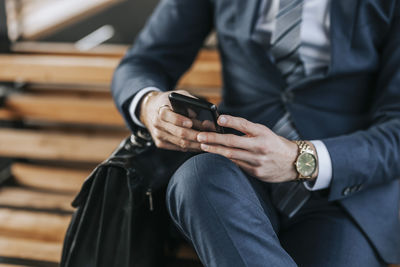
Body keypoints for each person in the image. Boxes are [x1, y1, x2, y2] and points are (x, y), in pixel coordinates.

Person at [111, 0, 400, 266]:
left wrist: (299, 159)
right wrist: (149, 105)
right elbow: (143, 62)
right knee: (197, 178)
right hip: (234, 176)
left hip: (346, 192)